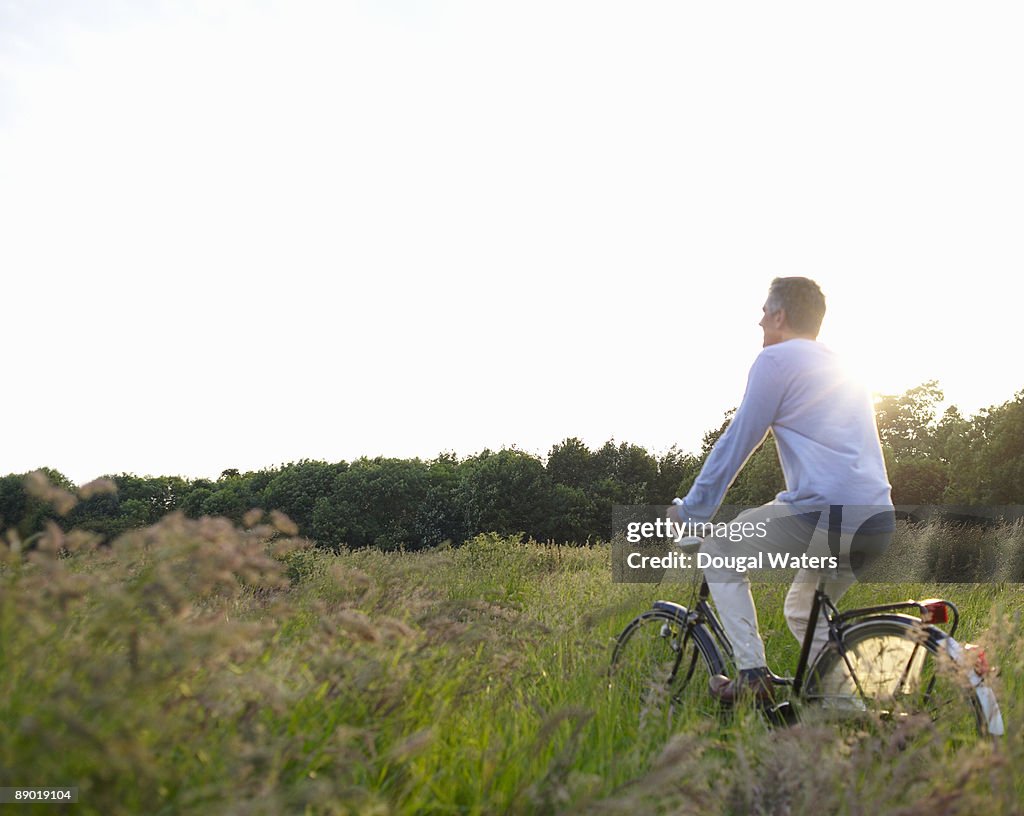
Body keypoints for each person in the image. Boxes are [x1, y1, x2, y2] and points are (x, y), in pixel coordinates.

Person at [666, 277, 894, 704]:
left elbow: (738, 440)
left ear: (780, 315)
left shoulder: (776, 361)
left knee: (718, 550)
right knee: (804, 612)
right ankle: (857, 719)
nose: (759, 321)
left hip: (827, 514)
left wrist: (693, 509)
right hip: (878, 517)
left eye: (764, 312)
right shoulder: (843, 365)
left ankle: (752, 677)